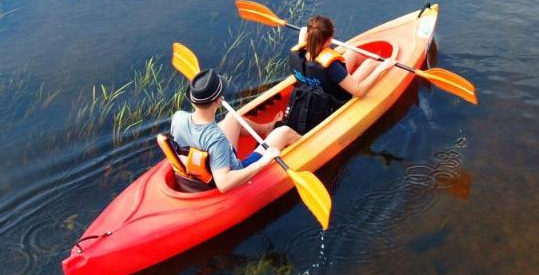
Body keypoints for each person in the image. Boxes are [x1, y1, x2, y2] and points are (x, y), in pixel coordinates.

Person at [162, 68, 300, 193]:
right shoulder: (217, 139)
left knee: (233, 117)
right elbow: (224, 184)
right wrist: (265, 160)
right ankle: (309, 140)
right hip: (235, 170)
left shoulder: (178, 117)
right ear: (218, 102)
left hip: (204, 163)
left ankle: (267, 128)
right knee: (284, 132)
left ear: (193, 101)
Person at [280, 15, 395, 135]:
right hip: (336, 97)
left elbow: (304, 39)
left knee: (352, 52)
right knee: (370, 64)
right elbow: (359, 91)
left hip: (317, 89)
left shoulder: (298, 52)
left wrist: (304, 32)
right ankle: (385, 66)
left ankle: (378, 64)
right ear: (329, 40)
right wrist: (382, 68)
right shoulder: (332, 65)